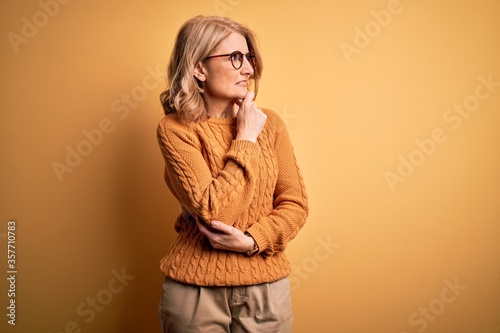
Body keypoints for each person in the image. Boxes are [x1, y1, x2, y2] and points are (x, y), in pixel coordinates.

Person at [156, 15, 309, 333]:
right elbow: (216, 211)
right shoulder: (176, 130)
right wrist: (245, 139)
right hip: (195, 291)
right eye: (235, 57)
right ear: (199, 67)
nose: (249, 69)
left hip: (267, 289)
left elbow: (294, 204)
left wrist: (253, 240)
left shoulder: (271, 123)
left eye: (249, 57)